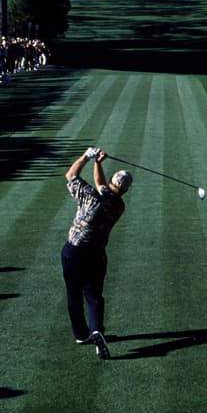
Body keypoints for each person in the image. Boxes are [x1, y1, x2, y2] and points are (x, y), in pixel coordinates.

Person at [62, 146, 133, 360]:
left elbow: (71, 175)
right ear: (125, 190)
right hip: (96, 255)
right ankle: (96, 330)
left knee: (74, 293)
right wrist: (98, 164)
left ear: (112, 181)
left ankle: (81, 334)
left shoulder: (89, 196)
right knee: (93, 296)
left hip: (73, 252)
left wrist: (86, 156)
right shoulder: (119, 206)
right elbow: (103, 186)